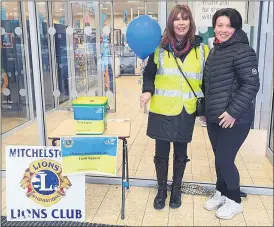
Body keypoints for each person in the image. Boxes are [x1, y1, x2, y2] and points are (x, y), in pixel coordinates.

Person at [140, 4, 209, 210]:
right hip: (162, 109)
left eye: (185, 19)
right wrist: (147, 91)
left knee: (181, 152)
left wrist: (208, 108)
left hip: (186, 110)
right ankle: (162, 189)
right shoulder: (159, 49)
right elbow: (149, 74)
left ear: (190, 23)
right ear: (171, 23)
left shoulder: (203, 50)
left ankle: (176, 189)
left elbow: (208, 80)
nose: (181, 23)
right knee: (161, 152)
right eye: (177, 19)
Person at [202, 8, 260, 219]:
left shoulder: (243, 51)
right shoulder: (215, 50)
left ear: (236, 29)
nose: (223, 30)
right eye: (220, 25)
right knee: (219, 158)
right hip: (215, 116)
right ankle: (221, 192)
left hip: (235, 119)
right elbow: (208, 84)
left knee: (225, 159)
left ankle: (234, 200)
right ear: (214, 27)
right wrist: (205, 111)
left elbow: (252, 84)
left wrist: (232, 112)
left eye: (229, 26)